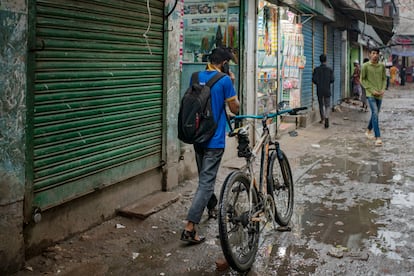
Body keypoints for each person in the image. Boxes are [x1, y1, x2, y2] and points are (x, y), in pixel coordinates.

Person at [181, 47, 240, 244]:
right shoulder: (224, 80)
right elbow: (235, 107)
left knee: (205, 178)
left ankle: (212, 206)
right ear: (224, 63)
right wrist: (231, 82)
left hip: (198, 137)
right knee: (206, 183)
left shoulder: (195, 76)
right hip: (214, 140)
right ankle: (190, 227)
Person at [360, 48, 386, 147]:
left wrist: (383, 89)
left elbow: (384, 79)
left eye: (377, 53)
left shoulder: (382, 66)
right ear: (370, 55)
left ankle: (368, 131)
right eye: (373, 53)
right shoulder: (365, 66)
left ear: (379, 55)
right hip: (370, 94)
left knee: (375, 114)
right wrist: (371, 90)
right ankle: (378, 137)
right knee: (375, 112)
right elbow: (363, 80)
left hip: (380, 94)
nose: (375, 55)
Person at [312, 54, 334, 128]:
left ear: (320, 60)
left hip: (319, 90)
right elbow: (332, 80)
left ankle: (322, 119)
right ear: (326, 60)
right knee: (327, 105)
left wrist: (319, 83)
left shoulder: (316, 69)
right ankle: (327, 116)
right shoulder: (330, 70)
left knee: (321, 105)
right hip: (327, 90)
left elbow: (314, 80)